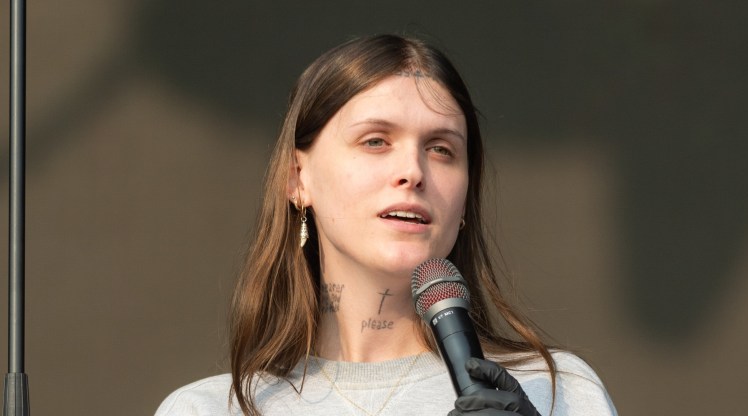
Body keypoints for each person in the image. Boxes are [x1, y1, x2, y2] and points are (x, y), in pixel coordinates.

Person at [155, 34, 617, 416]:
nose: (413, 171)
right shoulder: (209, 409)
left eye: (441, 149)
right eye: (376, 141)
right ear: (298, 179)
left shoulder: (559, 394)